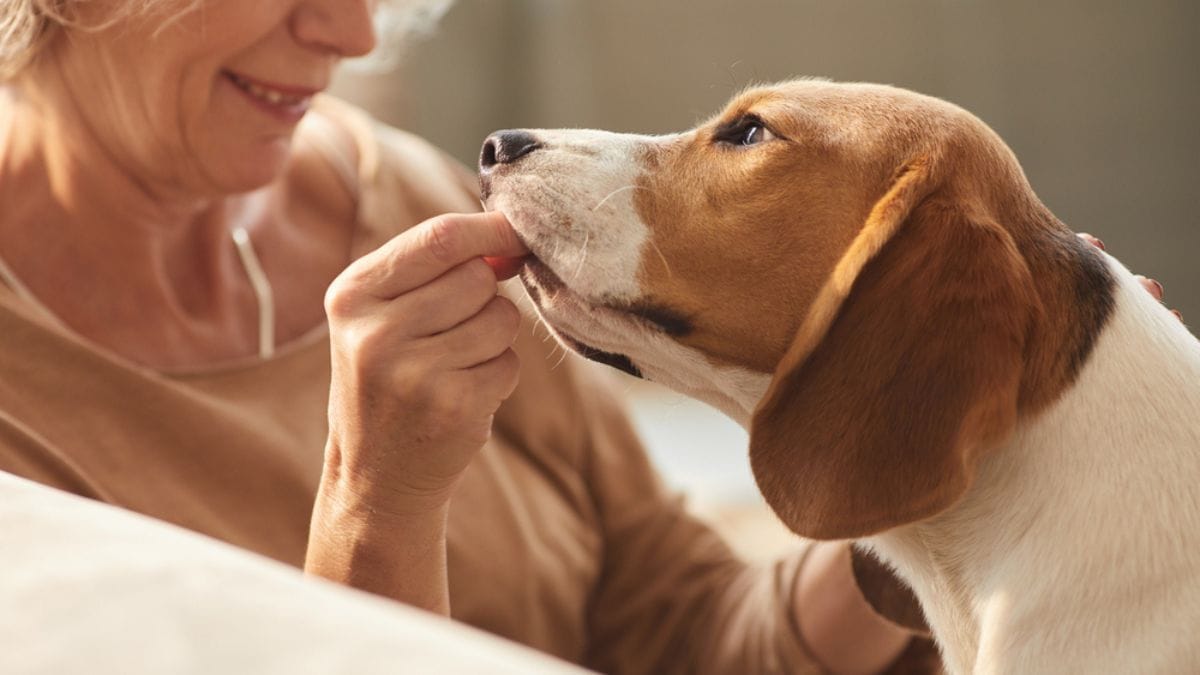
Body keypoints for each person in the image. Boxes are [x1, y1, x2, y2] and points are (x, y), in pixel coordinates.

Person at [0, 1, 1175, 673]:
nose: (352, 30)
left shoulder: (403, 193)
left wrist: (949, 463)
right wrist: (378, 499)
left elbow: (688, 632)